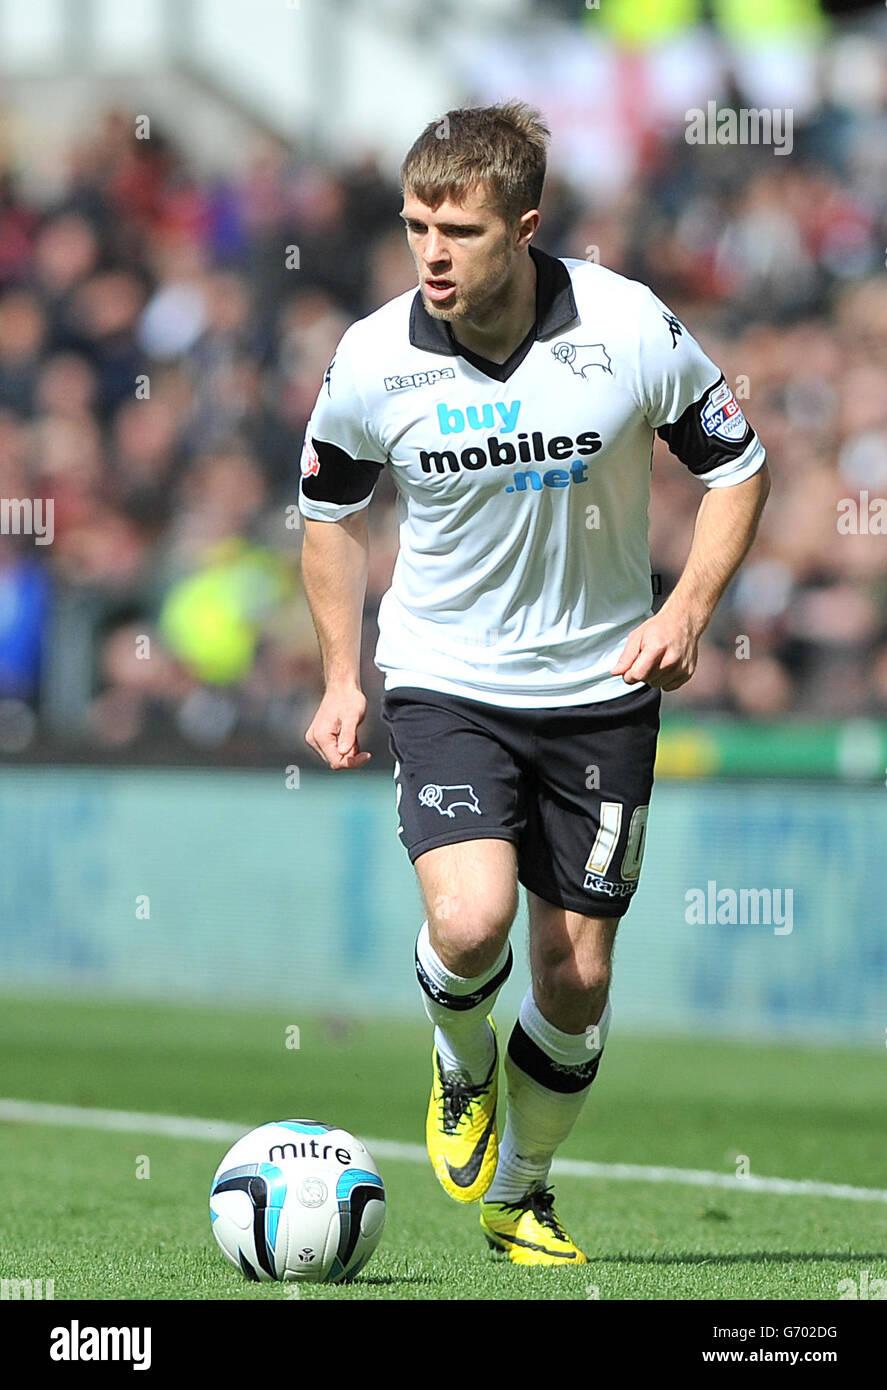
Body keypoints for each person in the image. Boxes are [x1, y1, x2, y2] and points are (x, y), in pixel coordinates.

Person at [298, 102, 770, 1266]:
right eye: (414, 226)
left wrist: (687, 610)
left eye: (455, 229)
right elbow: (326, 516)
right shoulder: (371, 356)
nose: (430, 254)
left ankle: (521, 1194)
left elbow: (739, 467)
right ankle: (461, 1069)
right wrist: (338, 676)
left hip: (600, 688)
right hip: (445, 679)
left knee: (574, 974)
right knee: (469, 922)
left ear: (523, 226)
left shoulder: (626, 326)